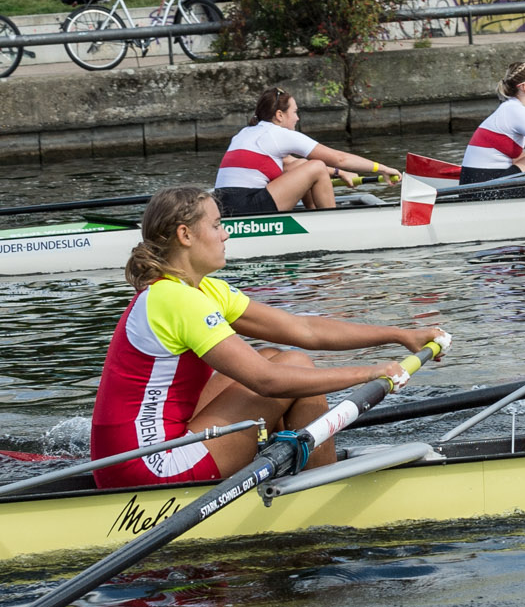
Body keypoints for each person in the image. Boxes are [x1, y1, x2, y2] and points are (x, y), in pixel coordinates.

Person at [90, 188, 444, 492]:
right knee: (292, 368)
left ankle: (290, 461)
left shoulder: (199, 289)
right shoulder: (176, 298)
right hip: (146, 467)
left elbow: (304, 330)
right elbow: (266, 381)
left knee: (275, 353)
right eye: (215, 226)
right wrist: (368, 373)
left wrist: (400, 335)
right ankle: (318, 488)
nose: (225, 235)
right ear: (185, 235)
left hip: (126, 456)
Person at [214, 87, 393, 217]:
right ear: (279, 115)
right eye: (295, 112)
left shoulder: (246, 133)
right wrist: (382, 168)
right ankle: (333, 223)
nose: (297, 118)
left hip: (223, 206)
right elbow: (339, 158)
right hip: (247, 206)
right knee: (316, 166)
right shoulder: (277, 134)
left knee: (304, 166)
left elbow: (292, 165)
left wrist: (340, 173)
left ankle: (313, 215)